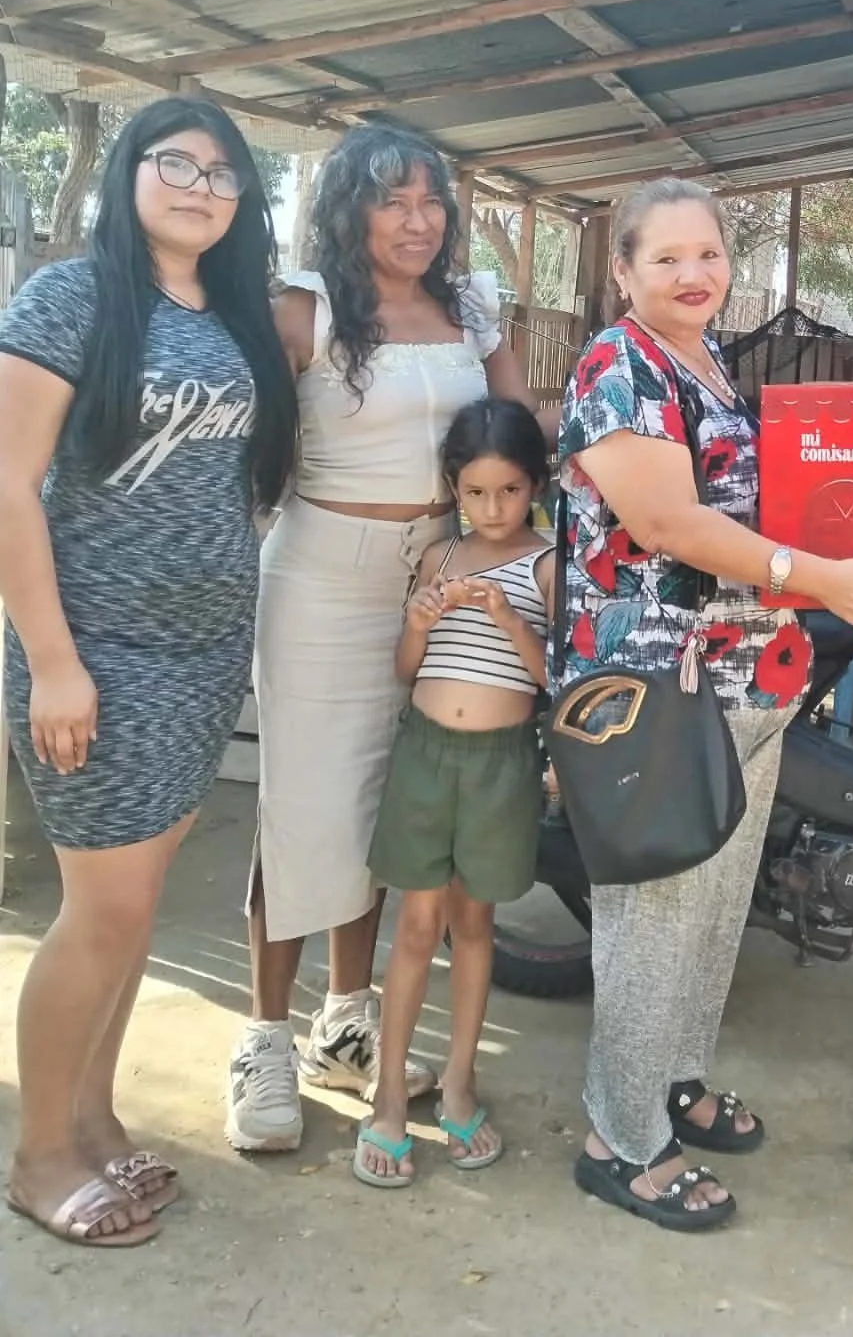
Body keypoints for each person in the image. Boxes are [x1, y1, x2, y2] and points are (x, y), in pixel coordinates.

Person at [556, 177, 853, 1231]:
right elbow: (667, 523)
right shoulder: (618, 366)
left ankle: (673, 1076)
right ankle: (618, 1137)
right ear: (623, 271)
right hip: (654, 680)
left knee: (713, 900)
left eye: (707, 253)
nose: (693, 273)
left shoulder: (703, 361)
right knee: (658, 907)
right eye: (666, 257)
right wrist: (816, 570)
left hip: (745, 670)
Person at [0, 99, 297, 1248]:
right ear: (127, 173)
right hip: (96, 654)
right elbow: (8, 484)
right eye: (173, 160)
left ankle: (94, 1119)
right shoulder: (71, 298)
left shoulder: (231, 319)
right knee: (102, 909)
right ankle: (38, 1154)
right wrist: (56, 661)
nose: (197, 181)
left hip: (205, 651)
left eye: (221, 168)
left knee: (131, 913)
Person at [226, 122, 546, 1154]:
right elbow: (239, 443)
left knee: (390, 809)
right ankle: (267, 1038)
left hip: (445, 580)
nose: (416, 219)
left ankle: (345, 1018)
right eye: (391, 198)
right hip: (323, 578)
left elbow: (521, 431)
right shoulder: (302, 308)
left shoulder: (472, 305)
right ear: (348, 207)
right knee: (304, 805)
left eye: (431, 200)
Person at [353, 396, 551, 1188]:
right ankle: (392, 1095)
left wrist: (507, 617)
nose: (492, 508)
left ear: (534, 485)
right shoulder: (437, 558)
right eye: (475, 492)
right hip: (425, 759)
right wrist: (418, 621)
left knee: (474, 927)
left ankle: (459, 1082)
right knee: (414, 927)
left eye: (508, 491)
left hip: (501, 761)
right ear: (453, 488)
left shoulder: (545, 564)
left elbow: (551, 679)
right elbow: (408, 670)